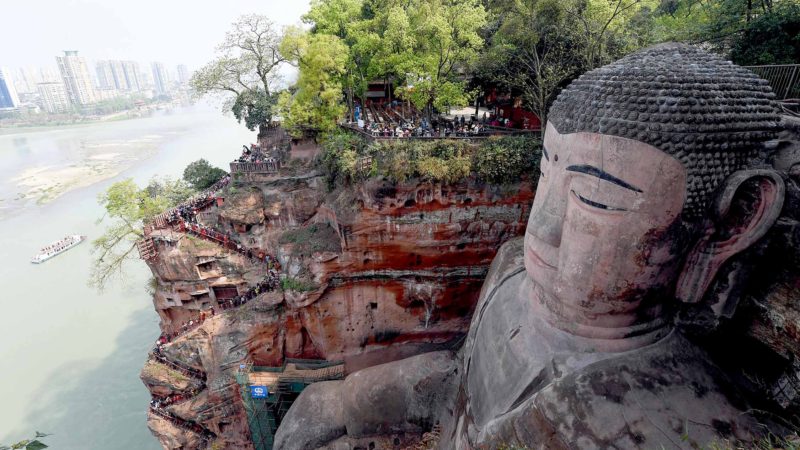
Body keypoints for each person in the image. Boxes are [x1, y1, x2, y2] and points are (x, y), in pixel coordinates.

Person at [274, 44, 785, 450]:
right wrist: (348, 403)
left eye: (593, 197)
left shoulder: (684, 423)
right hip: (444, 417)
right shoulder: (512, 266)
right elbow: (456, 376)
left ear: (730, 224)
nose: (540, 227)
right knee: (314, 411)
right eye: (545, 174)